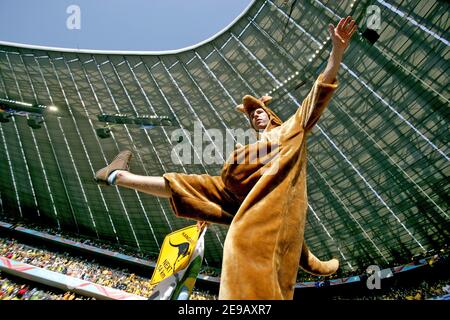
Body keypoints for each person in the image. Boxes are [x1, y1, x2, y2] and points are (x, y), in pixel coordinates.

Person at [95, 16, 357, 300]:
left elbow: (318, 94)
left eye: (260, 111)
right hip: (250, 243)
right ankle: (118, 175)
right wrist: (204, 206)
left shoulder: (291, 130)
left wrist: (337, 52)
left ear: (272, 115)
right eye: (251, 114)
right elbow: (216, 191)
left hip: (267, 245)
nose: (256, 114)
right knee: (190, 184)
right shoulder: (254, 162)